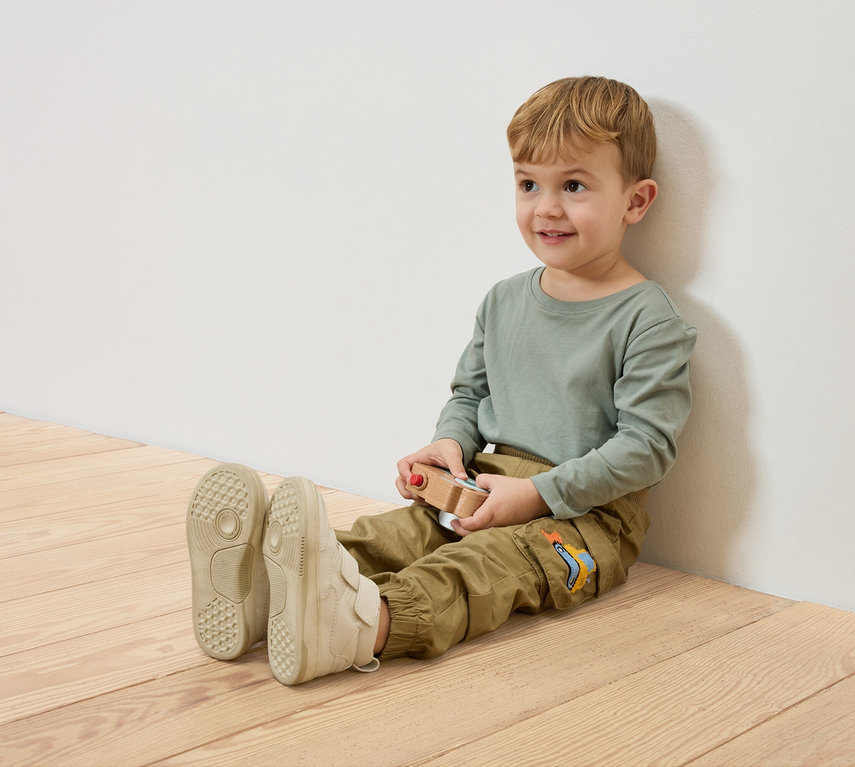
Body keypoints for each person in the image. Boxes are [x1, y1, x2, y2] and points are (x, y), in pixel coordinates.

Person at [186, 75, 697, 686]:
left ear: (635, 202)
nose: (547, 207)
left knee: (482, 570)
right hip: (479, 486)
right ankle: (267, 592)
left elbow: (646, 449)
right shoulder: (504, 300)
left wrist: (535, 497)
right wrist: (449, 445)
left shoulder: (648, 319)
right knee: (390, 535)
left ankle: (358, 626)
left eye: (575, 186)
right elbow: (470, 395)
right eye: (528, 183)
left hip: (584, 520)